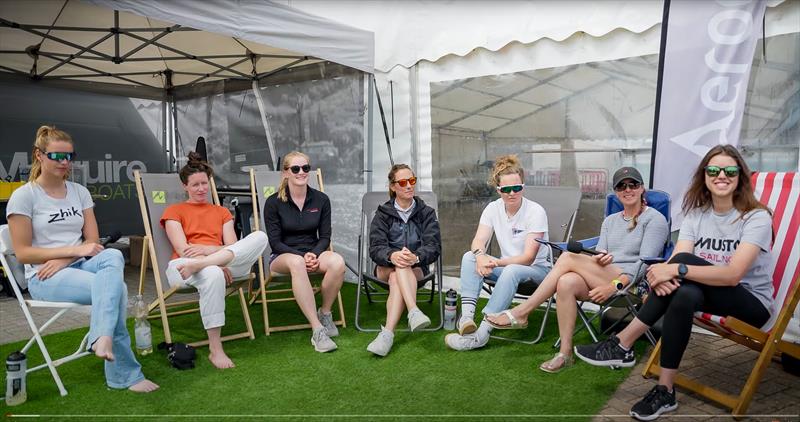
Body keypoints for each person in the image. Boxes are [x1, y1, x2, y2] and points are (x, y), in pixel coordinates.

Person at [574, 145, 773, 421]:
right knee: (684, 294)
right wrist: (666, 272)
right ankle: (665, 390)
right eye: (713, 170)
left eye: (730, 170)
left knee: (683, 265)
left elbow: (732, 274)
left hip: (751, 304)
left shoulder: (756, 216)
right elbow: (680, 263)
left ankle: (622, 344)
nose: (721, 176)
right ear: (704, 176)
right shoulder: (696, 214)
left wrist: (673, 269)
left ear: (741, 176)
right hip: (703, 292)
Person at [6, 125, 158, 392]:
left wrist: (69, 256)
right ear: (39, 155)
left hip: (76, 263)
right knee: (117, 290)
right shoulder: (24, 196)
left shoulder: (79, 192)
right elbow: (23, 253)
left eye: (69, 156)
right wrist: (74, 252)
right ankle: (122, 373)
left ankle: (102, 336)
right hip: (44, 276)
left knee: (112, 254)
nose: (64, 162)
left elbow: (92, 244)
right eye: (56, 156)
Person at [485, 167, 669, 373]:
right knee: (566, 282)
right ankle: (565, 353)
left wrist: (613, 286)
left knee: (568, 257)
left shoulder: (654, 219)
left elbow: (645, 265)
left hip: (631, 284)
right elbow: (602, 254)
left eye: (633, 184)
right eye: (621, 186)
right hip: (605, 274)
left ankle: (522, 312)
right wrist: (600, 257)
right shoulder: (610, 221)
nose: (628, 189)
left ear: (642, 188)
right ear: (616, 191)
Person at [161, 151, 268, 369]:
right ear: (185, 186)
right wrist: (217, 260)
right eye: (195, 185)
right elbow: (183, 250)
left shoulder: (221, 212)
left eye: (204, 183)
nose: (201, 189)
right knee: (212, 273)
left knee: (260, 236)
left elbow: (233, 246)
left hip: (213, 264)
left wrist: (210, 256)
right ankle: (215, 349)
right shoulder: (174, 211)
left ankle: (207, 266)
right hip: (183, 268)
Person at [445, 155, 551, 351]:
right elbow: (478, 241)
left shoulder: (536, 211)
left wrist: (493, 263)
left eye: (517, 188)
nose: (512, 193)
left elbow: (528, 258)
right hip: (507, 268)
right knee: (469, 257)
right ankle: (466, 319)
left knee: (511, 270)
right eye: (506, 190)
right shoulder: (493, 208)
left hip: (537, 271)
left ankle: (481, 335)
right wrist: (480, 256)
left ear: (523, 186)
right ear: (498, 190)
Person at [264, 151, 346, 353]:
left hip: (314, 252)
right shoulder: (273, 202)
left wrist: (314, 254)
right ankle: (317, 330)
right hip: (282, 256)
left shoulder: (321, 200)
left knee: (338, 261)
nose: (301, 172)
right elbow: (275, 242)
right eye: (295, 169)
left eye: (305, 168)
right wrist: (302, 256)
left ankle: (325, 313)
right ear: (285, 173)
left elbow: (325, 236)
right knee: (297, 263)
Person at [366, 164, 442, 356]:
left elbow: (433, 247)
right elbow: (375, 248)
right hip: (384, 267)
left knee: (397, 275)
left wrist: (415, 257)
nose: (409, 186)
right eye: (403, 182)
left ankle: (387, 334)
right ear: (393, 187)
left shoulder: (426, 213)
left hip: (416, 267)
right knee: (397, 265)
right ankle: (413, 310)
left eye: (412, 181)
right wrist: (392, 255)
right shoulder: (382, 215)